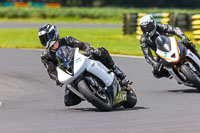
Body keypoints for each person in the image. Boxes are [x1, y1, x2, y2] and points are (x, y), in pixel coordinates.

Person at [38, 23, 129, 106]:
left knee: (99, 52)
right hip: (69, 73)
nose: (45, 41)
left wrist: (89, 48)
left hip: (80, 62)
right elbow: (51, 71)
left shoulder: (67, 39)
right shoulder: (45, 56)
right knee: (68, 101)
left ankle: (117, 72)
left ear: (53, 34)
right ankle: (88, 94)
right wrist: (57, 78)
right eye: (42, 39)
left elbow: (81, 44)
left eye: (46, 37)